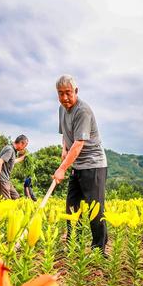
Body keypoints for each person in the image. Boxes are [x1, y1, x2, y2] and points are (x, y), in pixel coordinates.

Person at [52, 74, 108, 252]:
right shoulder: (62, 109)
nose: (65, 98)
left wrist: (62, 168)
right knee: (71, 206)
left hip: (93, 165)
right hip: (77, 165)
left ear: (76, 91)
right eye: (60, 94)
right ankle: (72, 245)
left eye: (68, 93)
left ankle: (99, 249)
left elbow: (78, 144)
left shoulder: (83, 110)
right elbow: (66, 135)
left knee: (95, 208)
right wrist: (63, 149)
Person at [0, 135, 28, 199]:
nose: (24, 148)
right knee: (6, 200)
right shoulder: (10, 149)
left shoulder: (12, 150)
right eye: (24, 146)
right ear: (21, 143)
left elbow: (12, 161)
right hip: (1, 178)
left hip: (5, 179)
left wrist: (23, 158)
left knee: (16, 197)